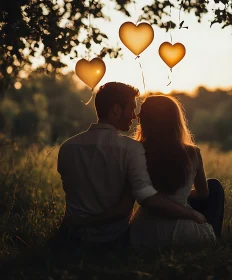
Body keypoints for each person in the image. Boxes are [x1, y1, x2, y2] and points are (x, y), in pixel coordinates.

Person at [56, 82, 206, 249]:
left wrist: (77, 223)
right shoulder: (131, 149)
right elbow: (142, 200)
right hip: (113, 239)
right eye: (132, 109)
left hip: (71, 236)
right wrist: (192, 214)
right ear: (116, 110)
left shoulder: (67, 147)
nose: (135, 117)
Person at [130, 95, 224, 250]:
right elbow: (203, 194)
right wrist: (179, 196)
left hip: (144, 233)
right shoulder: (193, 153)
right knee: (214, 187)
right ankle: (216, 236)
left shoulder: (136, 151)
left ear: (145, 121)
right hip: (184, 233)